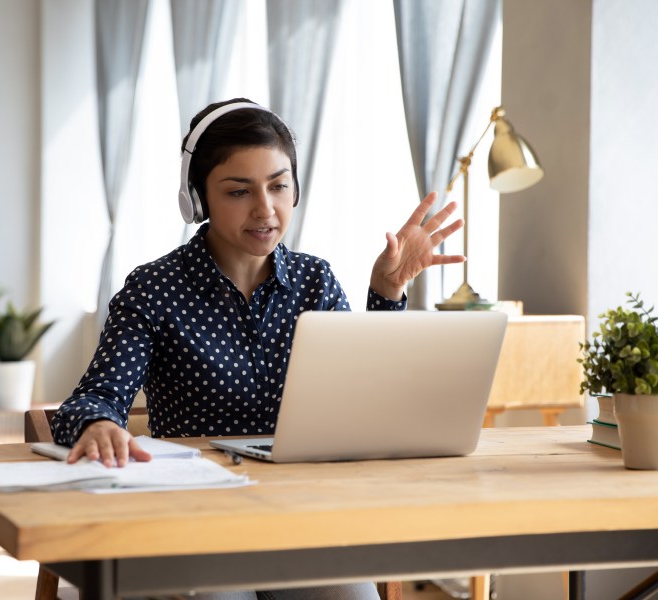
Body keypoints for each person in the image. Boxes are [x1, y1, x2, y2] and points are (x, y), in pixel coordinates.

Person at [50, 98, 464, 600]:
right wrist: (98, 424)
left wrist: (387, 293)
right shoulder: (153, 288)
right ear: (198, 199)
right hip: (195, 523)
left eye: (278, 185)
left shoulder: (315, 280)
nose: (265, 209)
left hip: (303, 519)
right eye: (238, 191)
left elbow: (364, 400)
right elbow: (93, 399)